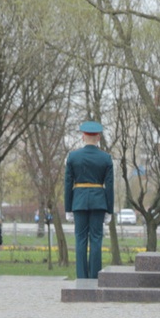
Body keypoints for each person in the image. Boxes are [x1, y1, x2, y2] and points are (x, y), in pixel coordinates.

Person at [65, 120, 114, 285]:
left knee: (80, 240)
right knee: (96, 240)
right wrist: (109, 209)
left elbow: (67, 184)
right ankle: (94, 278)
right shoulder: (106, 158)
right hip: (99, 201)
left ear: (83, 137)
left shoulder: (73, 157)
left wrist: (68, 207)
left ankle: (81, 278)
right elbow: (110, 186)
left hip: (78, 201)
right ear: (98, 137)